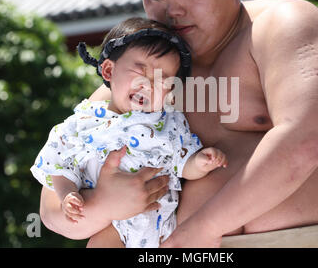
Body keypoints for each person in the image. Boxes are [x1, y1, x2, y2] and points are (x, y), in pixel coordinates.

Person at [40, 0, 318, 247]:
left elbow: (305, 139)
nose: (173, 10)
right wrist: (102, 205)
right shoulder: (141, 77)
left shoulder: (283, 24)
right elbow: (53, 200)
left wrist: (206, 227)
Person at [32, 17, 227, 248]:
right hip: (111, 226)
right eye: (140, 70)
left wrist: (200, 162)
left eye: (162, 80)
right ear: (108, 70)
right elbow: (59, 167)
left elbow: (182, 162)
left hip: (158, 224)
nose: (149, 84)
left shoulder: (168, 123)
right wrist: (68, 195)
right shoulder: (82, 122)